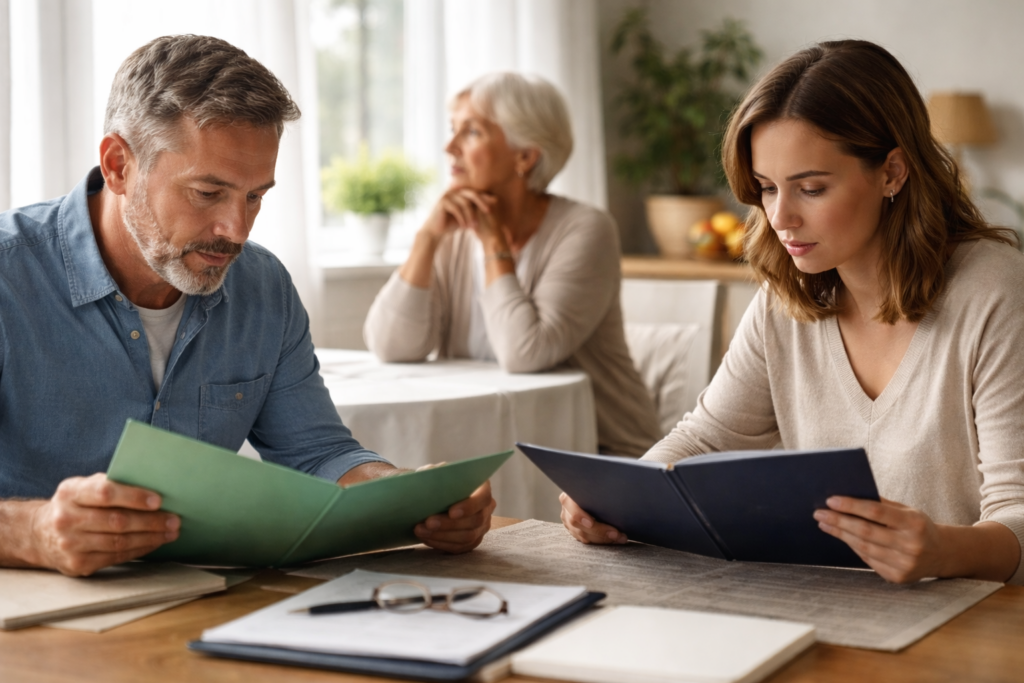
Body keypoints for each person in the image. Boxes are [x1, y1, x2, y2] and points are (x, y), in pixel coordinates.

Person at [0, 35, 494, 577]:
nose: (235, 231)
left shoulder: (263, 286)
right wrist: (34, 532)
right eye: (207, 193)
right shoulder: (9, 275)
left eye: (255, 196)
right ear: (119, 165)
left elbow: (318, 455)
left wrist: (407, 496)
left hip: (197, 604)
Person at [560, 40, 1024, 585]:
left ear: (892, 172)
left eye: (811, 188)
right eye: (766, 189)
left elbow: (1017, 513)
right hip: (834, 606)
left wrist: (945, 549)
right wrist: (617, 497)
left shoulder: (994, 291)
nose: (781, 218)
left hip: (976, 626)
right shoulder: (786, 296)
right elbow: (706, 439)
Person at [364, 72, 661, 457]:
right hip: (488, 446)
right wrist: (427, 240)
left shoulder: (587, 229)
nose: (449, 147)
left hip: (597, 457)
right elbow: (391, 346)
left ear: (525, 156)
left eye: (470, 132)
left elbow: (525, 353)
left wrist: (492, 242)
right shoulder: (451, 231)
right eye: (453, 130)